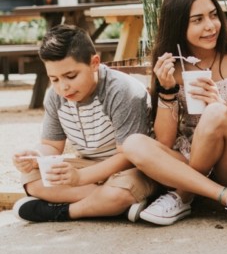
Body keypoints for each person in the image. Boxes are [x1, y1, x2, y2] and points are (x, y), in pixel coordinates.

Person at [121, 0, 227, 229]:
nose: (210, 26)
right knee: (133, 143)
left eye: (213, 15)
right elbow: (165, 141)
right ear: (178, 25)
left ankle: (183, 195)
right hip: (189, 157)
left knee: (215, 112)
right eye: (197, 20)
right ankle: (225, 196)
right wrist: (167, 90)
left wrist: (221, 104)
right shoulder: (171, 65)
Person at [12, 25, 157, 222]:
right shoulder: (55, 96)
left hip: (128, 167)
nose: (63, 86)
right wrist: (36, 157)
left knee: (119, 193)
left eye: (71, 76)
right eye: (54, 79)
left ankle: (60, 212)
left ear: (94, 63)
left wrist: (80, 179)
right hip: (88, 167)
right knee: (32, 179)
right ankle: (112, 205)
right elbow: (51, 146)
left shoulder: (122, 91)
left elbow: (127, 156)